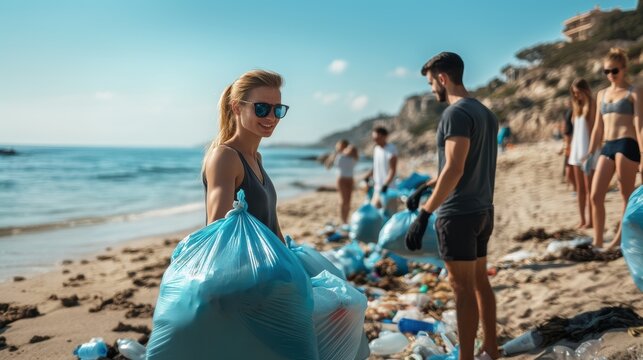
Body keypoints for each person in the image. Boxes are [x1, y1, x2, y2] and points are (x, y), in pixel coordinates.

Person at [405, 52, 499, 360]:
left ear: (443, 78)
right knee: (480, 282)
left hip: (458, 215)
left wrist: (425, 212)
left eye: (432, 82)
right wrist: (426, 186)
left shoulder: (454, 114)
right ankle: (492, 347)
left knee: (462, 289)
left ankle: (467, 357)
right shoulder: (484, 113)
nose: (432, 89)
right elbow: (461, 165)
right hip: (483, 210)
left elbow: (455, 168)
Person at [201, 69, 289, 242]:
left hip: (268, 266)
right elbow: (217, 233)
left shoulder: (256, 158)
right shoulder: (225, 157)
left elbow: (272, 225)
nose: (271, 117)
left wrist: (289, 260)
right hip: (243, 268)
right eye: (262, 108)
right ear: (236, 107)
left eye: (277, 110)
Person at [587, 48, 642, 249]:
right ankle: (598, 240)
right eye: (606, 71)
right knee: (595, 195)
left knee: (625, 197)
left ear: (624, 69)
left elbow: (640, 125)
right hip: (607, 146)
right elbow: (597, 127)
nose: (610, 75)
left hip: (627, 144)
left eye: (614, 71)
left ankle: (619, 240)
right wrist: (590, 151)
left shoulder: (633, 91)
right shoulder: (601, 94)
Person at [568, 79, 599, 229]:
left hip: (588, 151)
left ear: (585, 90)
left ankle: (591, 221)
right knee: (579, 189)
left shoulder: (592, 104)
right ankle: (582, 220)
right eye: (574, 93)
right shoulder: (576, 107)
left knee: (589, 189)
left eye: (578, 92)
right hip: (576, 150)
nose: (576, 95)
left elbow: (595, 129)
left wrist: (592, 151)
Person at [325, 139, 359, 226]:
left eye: (339, 145)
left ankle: (345, 220)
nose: (337, 147)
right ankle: (343, 220)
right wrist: (333, 156)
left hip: (350, 179)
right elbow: (327, 166)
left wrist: (345, 150)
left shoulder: (352, 152)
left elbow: (355, 153)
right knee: (343, 201)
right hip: (341, 179)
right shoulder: (337, 155)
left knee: (348, 201)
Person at [363, 127, 398, 208]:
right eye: (374, 138)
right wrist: (367, 176)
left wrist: (385, 184)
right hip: (377, 187)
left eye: (377, 138)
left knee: (389, 214)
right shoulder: (376, 149)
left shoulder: (391, 149)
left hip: (389, 188)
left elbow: (393, 170)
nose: (375, 140)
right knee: (375, 211)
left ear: (384, 136)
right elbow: (375, 167)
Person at [560, 106, 577, 191]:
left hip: (572, 148)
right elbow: (565, 139)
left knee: (570, 172)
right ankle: (576, 188)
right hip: (568, 149)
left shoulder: (570, 129)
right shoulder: (566, 131)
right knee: (568, 172)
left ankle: (577, 188)